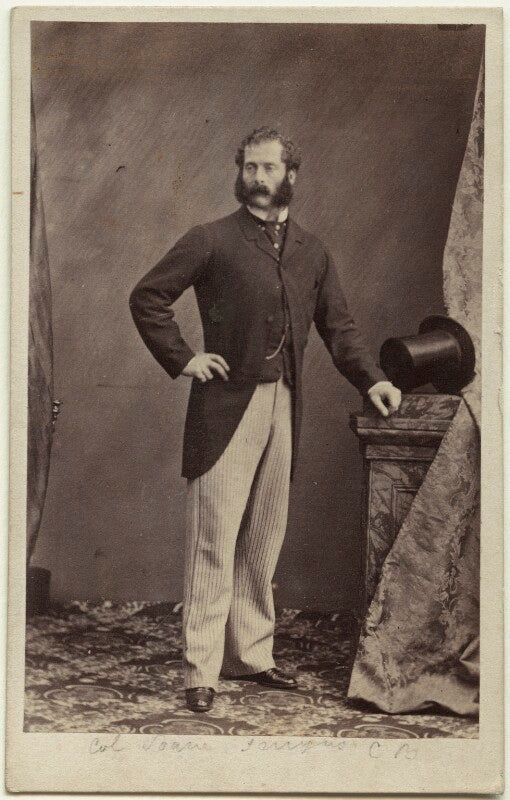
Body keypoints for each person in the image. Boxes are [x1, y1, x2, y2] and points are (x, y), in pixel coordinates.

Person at [129, 127, 401, 713]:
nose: (256, 178)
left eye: (269, 168)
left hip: (285, 405)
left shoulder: (312, 251)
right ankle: (201, 669)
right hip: (226, 406)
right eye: (249, 167)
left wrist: (373, 380)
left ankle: (250, 656)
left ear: (291, 175)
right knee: (213, 540)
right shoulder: (211, 239)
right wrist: (184, 359)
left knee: (262, 535)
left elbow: (339, 328)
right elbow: (148, 297)